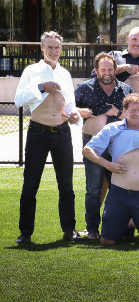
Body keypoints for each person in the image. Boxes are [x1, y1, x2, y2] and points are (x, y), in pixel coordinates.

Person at [14, 31, 82, 244]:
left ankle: (69, 229)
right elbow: (18, 100)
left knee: (66, 186)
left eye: (57, 47)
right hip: (38, 133)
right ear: (42, 48)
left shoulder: (65, 74)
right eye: (50, 47)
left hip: (62, 133)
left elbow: (69, 104)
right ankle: (25, 233)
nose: (54, 51)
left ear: (61, 49)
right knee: (30, 185)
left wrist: (74, 116)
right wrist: (41, 87)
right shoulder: (31, 71)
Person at [82, 93, 139, 246]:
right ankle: (126, 220)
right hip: (118, 193)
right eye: (133, 111)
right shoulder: (112, 129)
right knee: (107, 241)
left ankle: (131, 221)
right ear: (125, 112)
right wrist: (108, 165)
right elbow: (87, 150)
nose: (137, 114)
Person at [75, 52, 134, 239]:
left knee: (119, 187)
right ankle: (92, 229)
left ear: (115, 69)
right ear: (96, 70)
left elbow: (134, 114)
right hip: (93, 145)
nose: (107, 73)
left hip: (119, 145)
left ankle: (117, 227)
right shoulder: (84, 88)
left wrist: (118, 113)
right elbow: (70, 110)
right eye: (103, 69)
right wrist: (82, 112)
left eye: (110, 69)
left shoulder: (126, 89)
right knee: (93, 188)